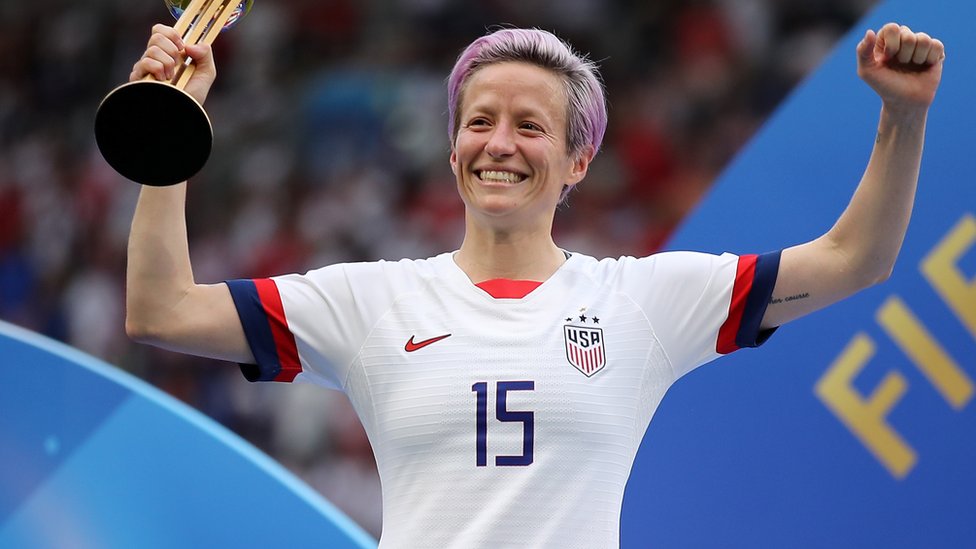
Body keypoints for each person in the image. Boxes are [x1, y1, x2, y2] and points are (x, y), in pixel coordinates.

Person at [124, 21, 944, 548]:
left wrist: (902, 118)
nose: (500, 144)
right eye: (479, 121)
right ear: (452, 148)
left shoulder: (645, 302)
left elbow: (853, 258)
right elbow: (161, 308)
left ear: (578, 160)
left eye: (530, 126)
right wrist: (168, 135)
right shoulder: (370, 302)